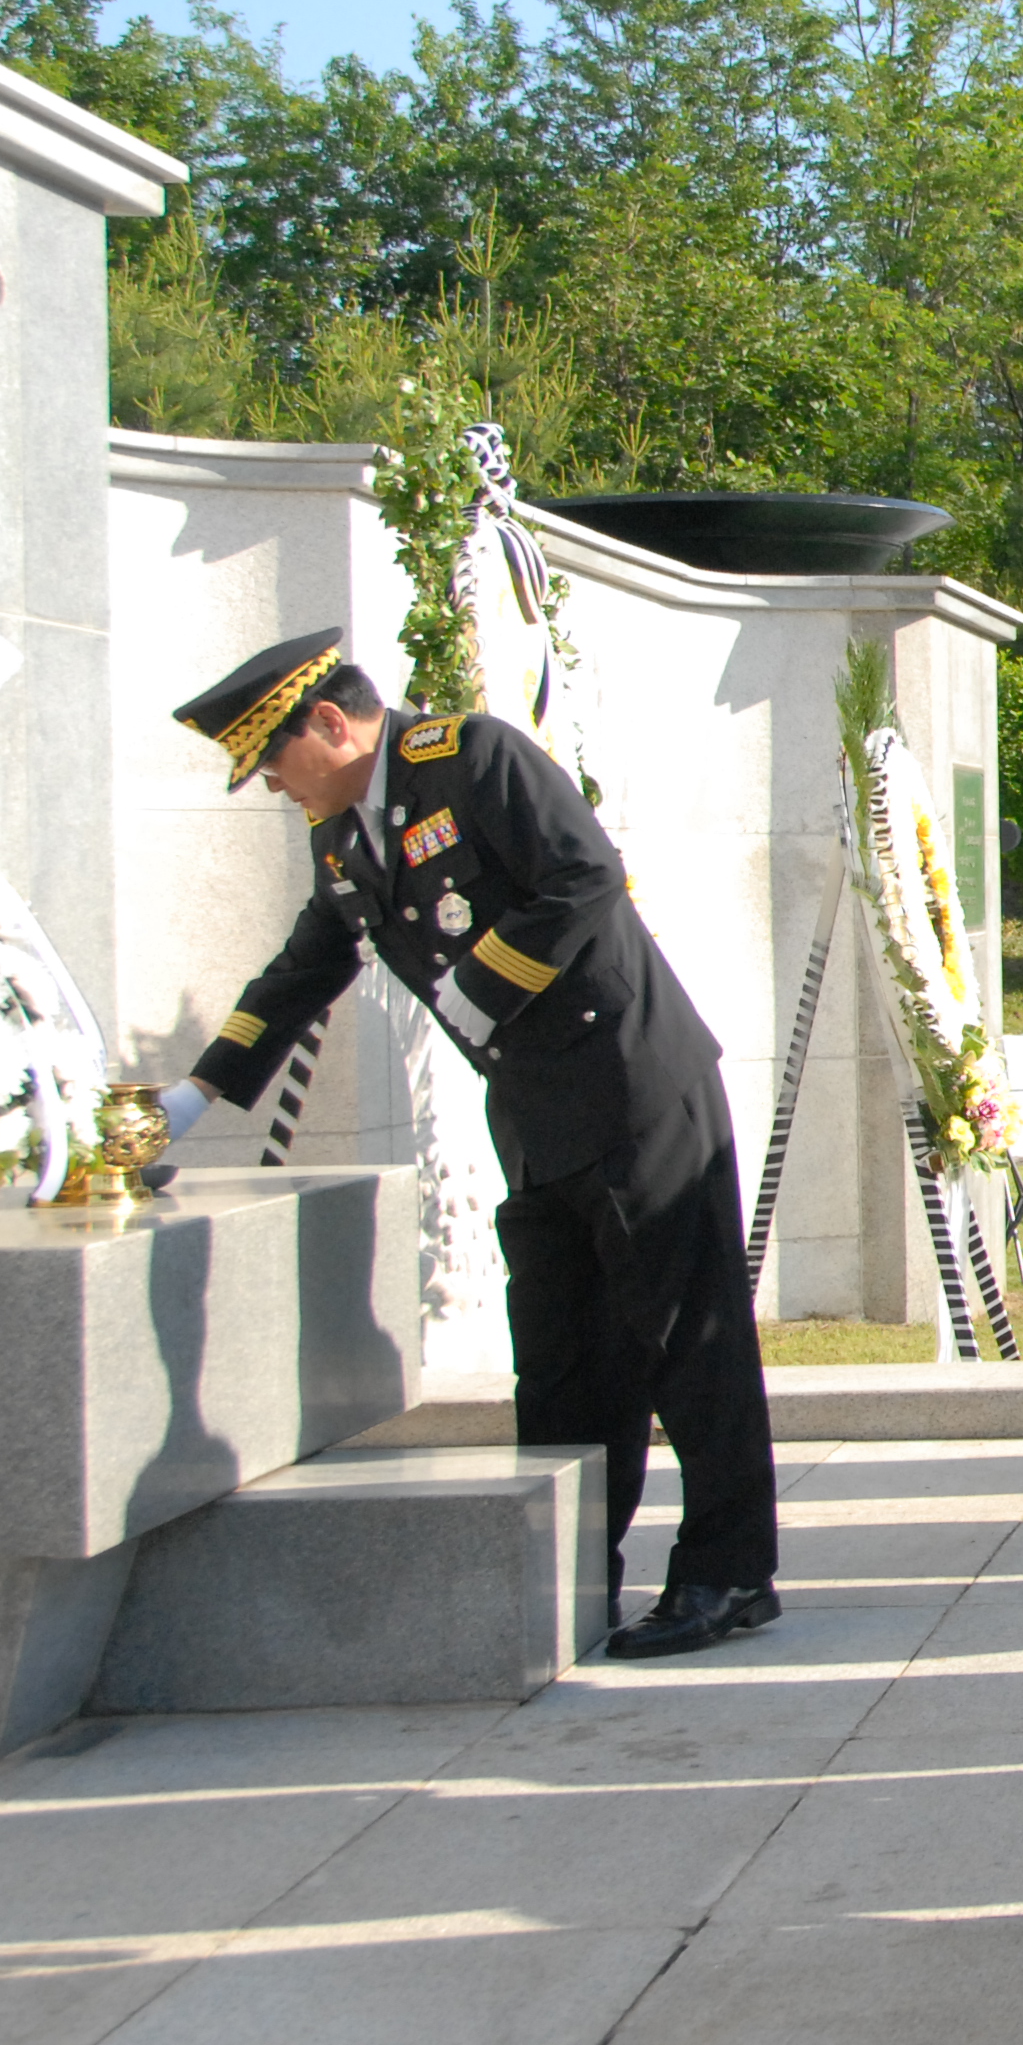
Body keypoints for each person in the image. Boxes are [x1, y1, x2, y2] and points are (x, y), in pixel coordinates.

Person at [157, 633, 780, 1659]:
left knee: (686, 1341)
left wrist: (478, 985)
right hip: (535, 1116)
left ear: (329, 722)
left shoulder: (472, 757)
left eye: (272, 757)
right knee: (564, 1362)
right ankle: (571, 1574)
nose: (270, 783)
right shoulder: (341, 838)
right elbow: (306, 964)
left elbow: (584, 875)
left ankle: (729, 1571)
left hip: (631, 1087)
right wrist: (197, 1092)